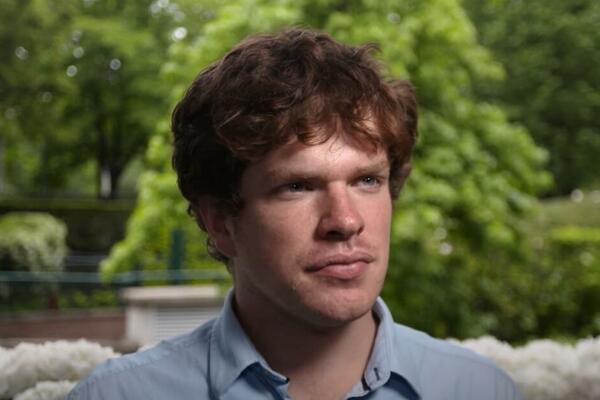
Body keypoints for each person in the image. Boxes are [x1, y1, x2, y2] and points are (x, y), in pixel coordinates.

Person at [67, 28, 521, 400]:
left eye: (367, 180)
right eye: (297, 186)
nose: (345, 221)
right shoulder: (115, 396)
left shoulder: (482, 390)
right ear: (220, 221)